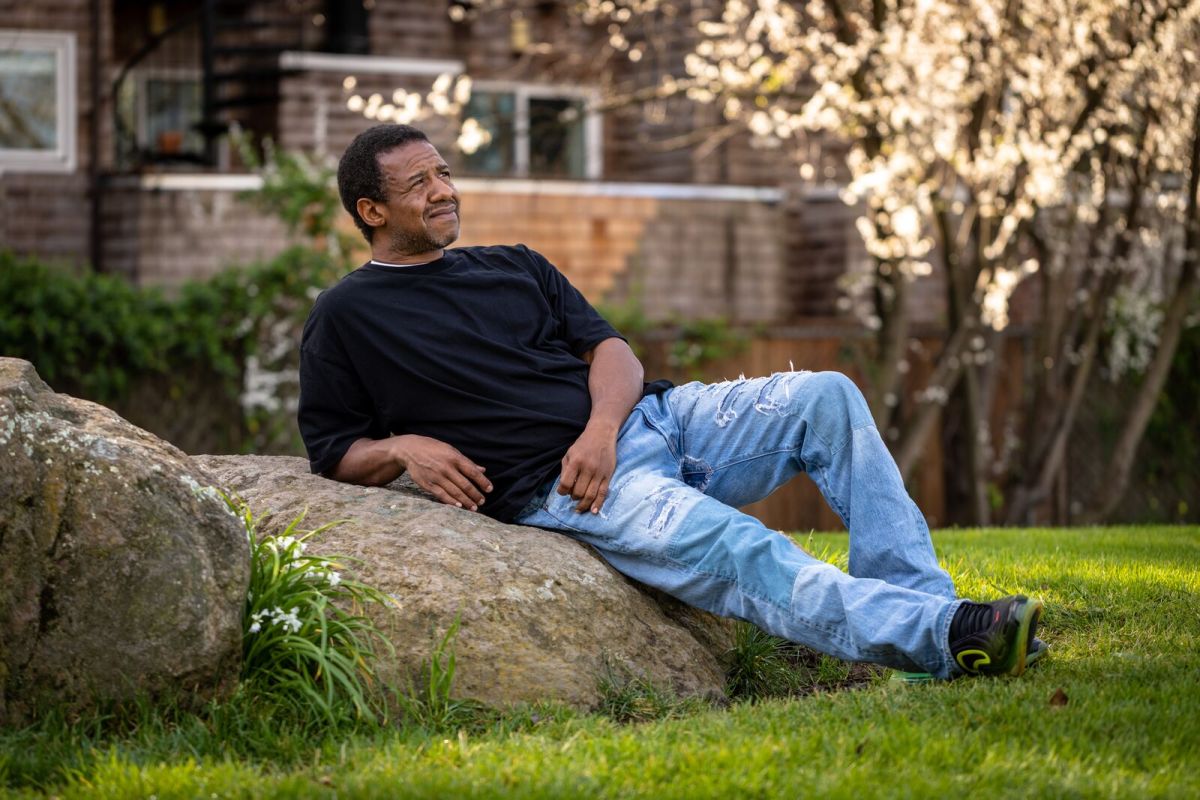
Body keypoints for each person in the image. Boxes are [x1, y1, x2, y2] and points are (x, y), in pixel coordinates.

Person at [299, 123, 1044, 681]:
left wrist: (602, 425)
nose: (444, 191)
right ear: (371, 210)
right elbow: (333, 449)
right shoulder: (346, 317)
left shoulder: (513, 264)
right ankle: (954, 638)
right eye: (419, 184)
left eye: (444, 173)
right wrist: (403, 449)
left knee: (827, 395)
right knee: (745, 549)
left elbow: (612, 352)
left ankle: (920, 609)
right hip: (579, 491)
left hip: (660, 422)